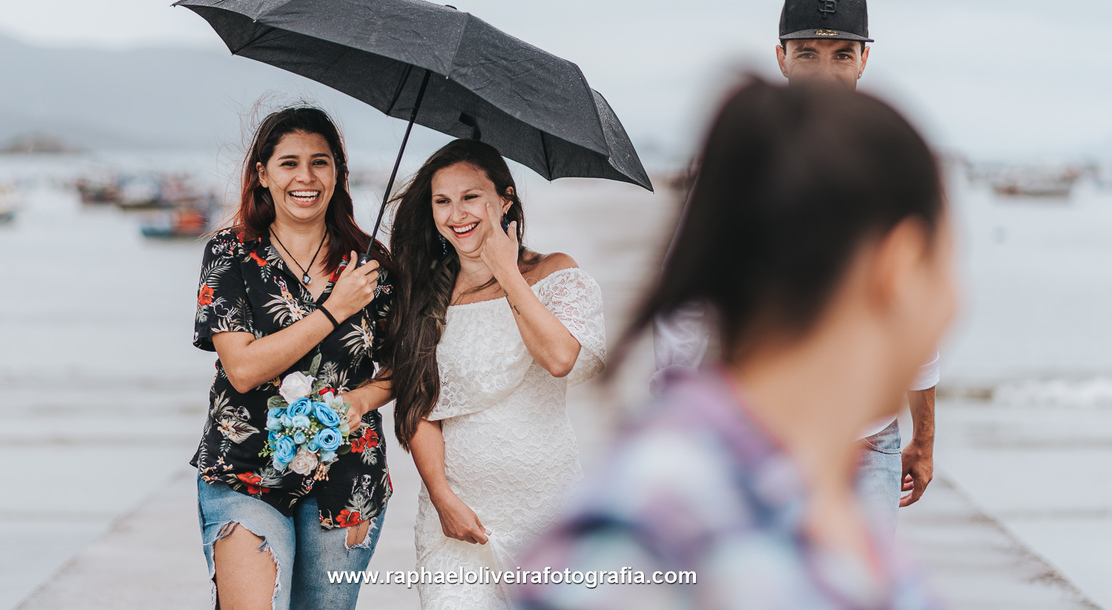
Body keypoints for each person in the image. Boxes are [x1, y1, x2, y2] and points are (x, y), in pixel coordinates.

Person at [517, 79, 957, 610]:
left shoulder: (816, 506)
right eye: (947, 262)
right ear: (901, 267)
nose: (955, 301)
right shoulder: (663, 521)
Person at [652, 0, 940, 530]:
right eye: (808, 53)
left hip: (867, 439)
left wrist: (923, 439)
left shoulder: (889, 163)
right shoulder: (738, 167)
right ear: (781, 58)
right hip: (758, 435)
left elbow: (914, 317)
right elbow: (684, 315)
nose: (825, 72)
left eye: (842, 54)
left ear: (863, 61)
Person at [384, 139, 607, 610]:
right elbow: (418, 404)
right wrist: (442, 498)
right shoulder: (424, 294)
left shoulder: (556, 272)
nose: (456, 214)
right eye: (442, 201)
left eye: (470, 197)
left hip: (549, 513)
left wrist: (506, 271)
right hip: (455, 525)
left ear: (504, 200)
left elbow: (561, 358)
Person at [191, 106, 395, 610]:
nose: (305, 177)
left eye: (320, 162)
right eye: (289, 163)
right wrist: (335, 309)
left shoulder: (374, 266)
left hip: (345, 474)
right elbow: (242, 369)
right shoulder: (230, 254)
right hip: (244, 470)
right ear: (262, 173)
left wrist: (360, 398)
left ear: (338, 174)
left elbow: (404, 368)